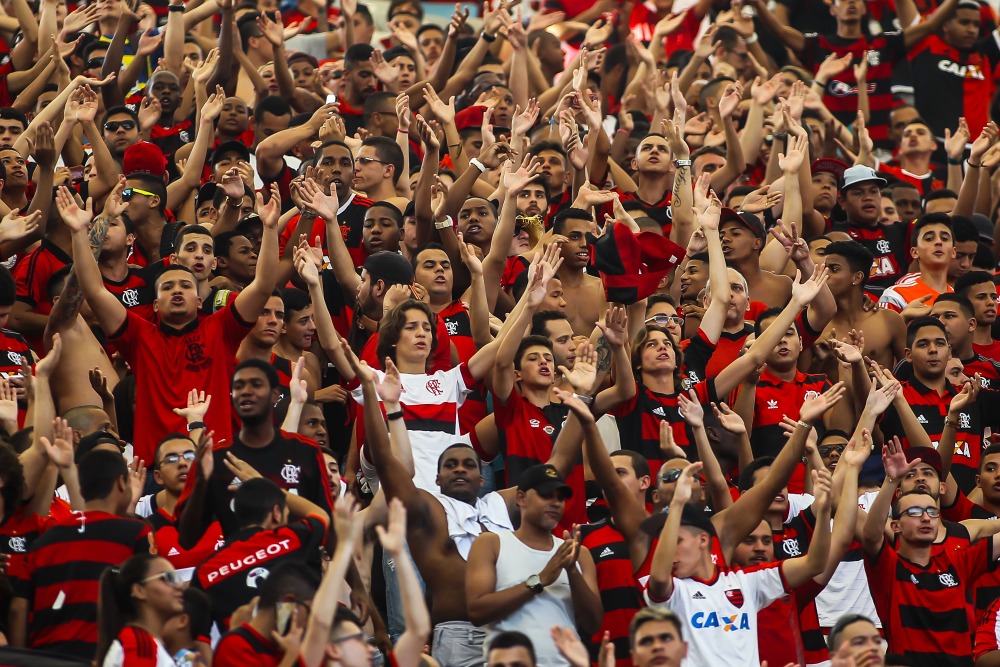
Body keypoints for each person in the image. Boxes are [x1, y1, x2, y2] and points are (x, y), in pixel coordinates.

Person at [862, 436, 1000, 666]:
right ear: (895, 526)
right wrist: (890, 480)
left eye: (931, 512)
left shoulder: (959, 561)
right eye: (915, 512)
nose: (926, 517)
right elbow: (870, 535)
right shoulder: (890, 569)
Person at [465, 461, 603, 666]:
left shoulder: (578, 554)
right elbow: (477, 612)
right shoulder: (491, 543)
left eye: (560, 497)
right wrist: (540, 580)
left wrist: (572, 571)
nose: (555, 503)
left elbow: (593, 624)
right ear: (521, 498)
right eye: (546, 495)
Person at [95, 554, 185, 667]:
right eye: (167, 577)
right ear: (139, 590)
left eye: (177, 578)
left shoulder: (145, 644)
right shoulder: (139, 646)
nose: (179, 586)